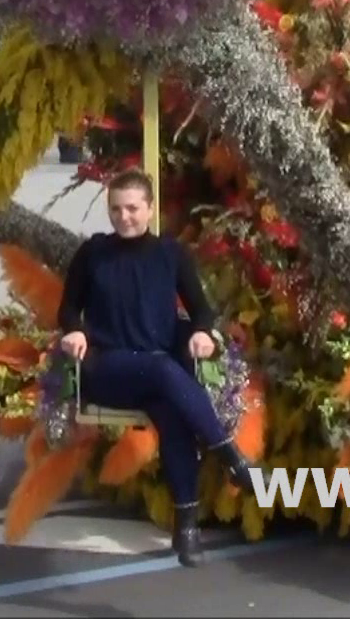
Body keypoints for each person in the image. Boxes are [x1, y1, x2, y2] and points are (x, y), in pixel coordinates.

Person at [55, 169, 255, 568]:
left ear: (149, 209)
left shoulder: (170, 254)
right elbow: (68, 309)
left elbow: (201, 311)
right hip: (107, 369)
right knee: (164, 370)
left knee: (174, 415)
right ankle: (232, 459)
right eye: (116, 209)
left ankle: (187, 529)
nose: (124, 217)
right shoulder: (93, 253)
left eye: (132, 208)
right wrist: (74, 331)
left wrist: (203, 333)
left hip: (155, 374)